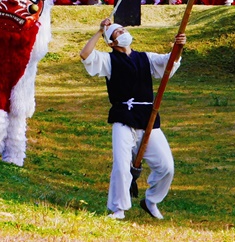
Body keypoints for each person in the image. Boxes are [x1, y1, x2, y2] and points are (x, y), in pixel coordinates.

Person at [79, 16, 185, 220]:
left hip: (147, 118)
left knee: (166, 166)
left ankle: (151, 200)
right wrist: (100, 31)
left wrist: (178, 46)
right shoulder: (108, 60)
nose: (124, 33)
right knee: (121, 164)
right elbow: (85, 55)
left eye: (124, 30)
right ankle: (118, 209)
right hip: (123, 117)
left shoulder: (145, 58)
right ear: (112, 42)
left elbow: (169, 62)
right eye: (118, 32)